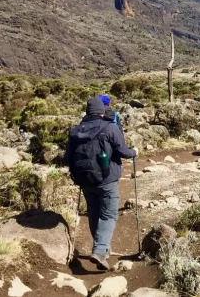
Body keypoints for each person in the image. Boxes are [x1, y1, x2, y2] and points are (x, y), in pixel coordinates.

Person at [65, 97, 137, 270]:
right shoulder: (109, 128)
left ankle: (103, 250)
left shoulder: (75, 131)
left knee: (94, 213)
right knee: (108, 215)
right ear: (102, 111)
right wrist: (134, 151)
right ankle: (99, 250)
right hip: (106, 180)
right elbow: (123, 151)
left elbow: (66, 157)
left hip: (84, 181)